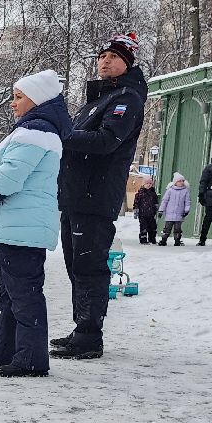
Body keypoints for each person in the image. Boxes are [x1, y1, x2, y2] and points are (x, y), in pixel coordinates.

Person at [0, 69, 69, 378]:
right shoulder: (36, 132)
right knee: (12, 293)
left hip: (23, 226)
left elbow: (8, 178)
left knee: (24, 294)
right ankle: (4, 348)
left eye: (19, 97)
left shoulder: (35, 133)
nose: (13, 103)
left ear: (36, 100)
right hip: (19, 224)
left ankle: (31, 358)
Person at [53, 32, 148, 362]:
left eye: (113, 56)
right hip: (76, 195)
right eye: (101, 56)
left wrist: (62, 133)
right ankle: (82, 327)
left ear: (127, 62)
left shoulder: (126, 99)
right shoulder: (98, 99)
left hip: (94, 196)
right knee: (74, 264)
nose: (105, 61)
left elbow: (107, 140)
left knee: (89, 265)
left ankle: (90, 335)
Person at [158, 172, 191, 245]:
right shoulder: (170, 190)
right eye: (179, 181)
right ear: (175, 182)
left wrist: (186, 210)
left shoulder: (185, 191)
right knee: (167, 228)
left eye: (183, 181)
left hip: (179, 214)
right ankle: (164, 240)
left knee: (178, 229)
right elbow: (165, 201)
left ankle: (177, 241)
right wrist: (161, 210)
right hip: (169, 214)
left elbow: (187, 201)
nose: (181, 182)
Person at [133, 175, 160, 245]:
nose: (148, 185)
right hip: (142, 214)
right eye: (147, 183)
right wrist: (136, 210)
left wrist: (156, 208)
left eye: (150, 183)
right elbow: (136, 203)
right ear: (143, 184)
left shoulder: (153, 193)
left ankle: (152, 239)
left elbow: (156, 202)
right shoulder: (140, 194)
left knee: (152, 227)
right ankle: (143, 239)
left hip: (151, 214)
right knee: (143, 227)